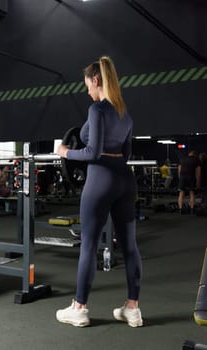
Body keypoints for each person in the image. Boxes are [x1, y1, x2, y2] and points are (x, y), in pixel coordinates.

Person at [56, 56, 143, 328]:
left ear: (96, 80)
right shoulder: (124, 113)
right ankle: (133, 309)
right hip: (124, 182)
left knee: (90, 245)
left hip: (100, 182)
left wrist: (65, 152)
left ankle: (79, 308)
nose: (87, 92)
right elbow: (124, 154)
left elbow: (92, 151)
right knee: (129, 246)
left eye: (88, 86)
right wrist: (91, 141)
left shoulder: (97, 111)